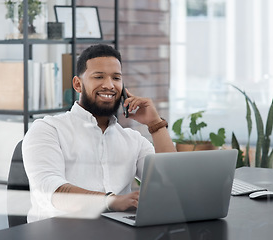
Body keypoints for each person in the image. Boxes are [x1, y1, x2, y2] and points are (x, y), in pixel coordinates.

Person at [22, 44, 176, 222]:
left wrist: (155, 124)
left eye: (116, 78)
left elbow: (171, 184)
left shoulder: (133, 140)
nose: (109, 85)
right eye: (99, 77)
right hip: (59, 233)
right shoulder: (48, 129)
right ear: (78, 84)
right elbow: (48, 189)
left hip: (116, 233)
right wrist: (110, 201)